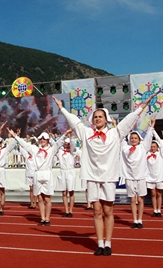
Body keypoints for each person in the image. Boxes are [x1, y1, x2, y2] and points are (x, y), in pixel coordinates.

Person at [54, 93, 157, 256]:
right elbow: (74, 122)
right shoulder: (86, 133)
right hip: (93, 178)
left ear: (106, 118)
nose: (98, 119)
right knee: (96, 211)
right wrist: (61, 108)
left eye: (100, 116)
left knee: (108, 212)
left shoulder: (115, 133)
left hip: (108, 178)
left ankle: (108, 243)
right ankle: (99, 243)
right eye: (95, 117)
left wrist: (142, 106)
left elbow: (130, 119)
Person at [10, 128, 63, 226]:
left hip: (47, 174)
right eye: (41, 139)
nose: (42, 140)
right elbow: (24, 144)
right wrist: (15, 136)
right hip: (37, 174)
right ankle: (42, 218)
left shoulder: (51, 150)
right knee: (40, 198)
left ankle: (47, 218)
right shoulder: (35, 149)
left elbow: (59, 143)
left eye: (44, 139)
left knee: (47, 198)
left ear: (48, 140)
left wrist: (66, 134)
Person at [120, 126, 153, 229]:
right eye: (132, 138)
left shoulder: (143, 147)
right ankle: (134, 220)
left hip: (141, 177)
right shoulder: (125, 148)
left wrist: (151, 127)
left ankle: (140, 219)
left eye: (135, 138)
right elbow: (120, 137)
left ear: (139, 140)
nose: (133, 140)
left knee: (141, 199)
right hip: (129, 177)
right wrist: (116, 125)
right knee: (133, 200)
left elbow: (148, 138)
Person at [0, 128, 16, 216]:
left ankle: (1, 208)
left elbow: (12, 145)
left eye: (0, 142)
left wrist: (16, 136)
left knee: (2, 190)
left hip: (1, 170)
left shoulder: (4, 150)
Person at [55, 131, 80, 217]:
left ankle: (71, 210)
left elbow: (73, 144)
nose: (67, 144)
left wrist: (71, 136)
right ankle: (66, 210)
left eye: (68, 143)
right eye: (66, 143)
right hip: (62, 172)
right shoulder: (60, 152)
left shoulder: (72, 152)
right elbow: (56, 145)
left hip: (70, 172)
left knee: (71, 192)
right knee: (64, 193)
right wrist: (64, 135)